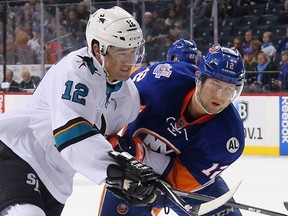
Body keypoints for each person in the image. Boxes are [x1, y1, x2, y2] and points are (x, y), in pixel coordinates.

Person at [0, 6, 160, 216]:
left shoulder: (128, 99)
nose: (129, 61)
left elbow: (107, 141)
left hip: (57, 182)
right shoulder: (76, 69)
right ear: (97, 49)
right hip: (18, 151)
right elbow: (70, 133)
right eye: (121, 52)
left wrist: (135, 166)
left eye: (133, 51)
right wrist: (114, 172)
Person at [99, 44, 246, 215]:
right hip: (130, 174)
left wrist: (139, 154)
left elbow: (180, 181)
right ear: (199, 78)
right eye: (215, 85)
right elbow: (114, 97)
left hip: (184, 189)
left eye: (229, 89)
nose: (220, 96)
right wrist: (104, 138)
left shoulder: (229, 138)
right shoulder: (164, 78)